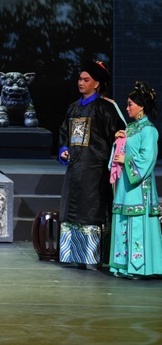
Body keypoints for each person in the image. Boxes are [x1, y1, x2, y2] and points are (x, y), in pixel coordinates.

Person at [58, 61, 126, 270]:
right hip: (75, 169)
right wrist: (64, 150)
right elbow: (64, 133)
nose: (81, 83)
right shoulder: (73, 108)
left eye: (86, 80)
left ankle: (92, 257)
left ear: (96, 84)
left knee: (91, 211)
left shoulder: (105, 108)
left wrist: (118, 140)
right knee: (71, 211)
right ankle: (72, 255)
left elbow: (119, 133)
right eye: (80, 79)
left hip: (95, 170)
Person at [108, 81, 162, 279]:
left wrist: (126, 159)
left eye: (130, 104)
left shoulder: (149, 130)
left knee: (137, 223)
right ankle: (122, 265)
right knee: (123, 220)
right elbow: (119, 154)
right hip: (125, 184)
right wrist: (118, 142)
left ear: (141, 107)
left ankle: (139, 267)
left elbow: (148, 158)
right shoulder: (129, 129)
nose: (127, 108)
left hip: (139, 186)